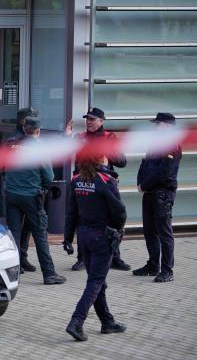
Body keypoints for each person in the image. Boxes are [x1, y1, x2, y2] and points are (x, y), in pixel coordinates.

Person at [63, 156, 127, 341]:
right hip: (101, 237)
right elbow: (120, 211)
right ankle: (76, 321)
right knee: (96, 282)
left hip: (84, 237)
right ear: (101, 158)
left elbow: (71, 212)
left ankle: (107, 322)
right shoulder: (106, 180)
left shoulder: (76, 180)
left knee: (98, 281)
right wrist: (117, 230)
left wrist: (68, 238)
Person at [5, 117, 66, 285]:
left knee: (14, 234)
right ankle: (49, 273)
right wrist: (43, 188)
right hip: (31, 196)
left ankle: (12, 273)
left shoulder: (11, 144)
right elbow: (49, 176)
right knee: (40, 234)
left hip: (11, 194)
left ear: (24, 129)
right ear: (38, 131)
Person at [68, 107, 131, 272]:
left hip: (104, 184)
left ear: (101, 121)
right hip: (84, 183)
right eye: (87, 119)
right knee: (82, 220)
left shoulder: (109, 137)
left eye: (92, 119)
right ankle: (82, 258)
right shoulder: (80, 137)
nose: (88, 122)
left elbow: (122, 162)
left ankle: (115, 257)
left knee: (110, 219)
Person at [133, 113, 182, 283]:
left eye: (158, 124)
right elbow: (144, 163)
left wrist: (144, 185)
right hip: (149, 193)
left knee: (164, 233)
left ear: (167, 126)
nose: (155, 127)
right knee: (149, 231)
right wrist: (140, 182)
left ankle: (167, 270)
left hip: (162, 193)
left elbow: (164, 172)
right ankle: (153, 265)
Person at [4, 107, 39, 274]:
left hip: (30, 189)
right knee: (16, 228)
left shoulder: (32, 138)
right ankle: (16, 260)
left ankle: (22, 258)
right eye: (28, 118)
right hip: (20, 189)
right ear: (21, 121)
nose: (31, 121)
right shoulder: (14, 139)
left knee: (28, 227)